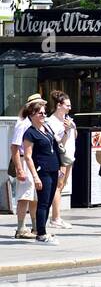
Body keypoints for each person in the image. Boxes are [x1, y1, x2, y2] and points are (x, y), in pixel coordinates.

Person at [20, 100, 63, 244]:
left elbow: (55, 147)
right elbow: (27, 156)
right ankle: (41, 234)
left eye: (45, 113)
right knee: (43, 202)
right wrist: (35, 176)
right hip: (42, 170)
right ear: (32, 115)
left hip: (53, 168)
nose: (43, 115)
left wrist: (60, 167)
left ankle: (40, 229)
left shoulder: (47, 128)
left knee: (49, 201)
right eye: (40, 113)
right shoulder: (30, 133)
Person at [9, 92, 44, 239]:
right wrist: (19, 169)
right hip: (24, 161)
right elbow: (15, 148)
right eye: (40, 106)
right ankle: (20, 228)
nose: (43, 110)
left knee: (34, 197)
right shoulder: (22, 124)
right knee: (24, 197)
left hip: (35, 161)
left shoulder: (37, 124)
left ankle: (35, 227)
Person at [47, 91, 76, 230]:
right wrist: (65, 130)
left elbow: (74, 136)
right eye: (67, 105)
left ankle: (56, 216)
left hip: (69, 156)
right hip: (59, 157)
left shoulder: (68, 119)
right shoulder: (51, 121)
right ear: (59, 105)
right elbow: (57, 143)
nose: (69, 108)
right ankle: (55, 218)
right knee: (58, 186)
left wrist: (71, 127)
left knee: (62, 185)